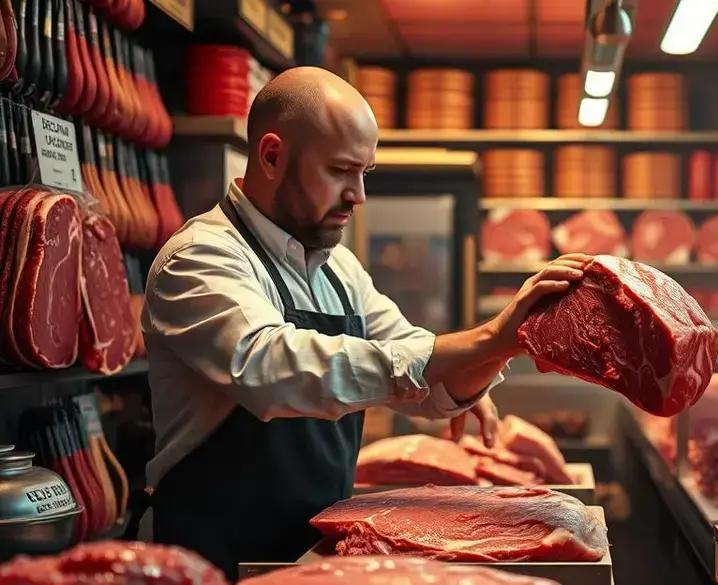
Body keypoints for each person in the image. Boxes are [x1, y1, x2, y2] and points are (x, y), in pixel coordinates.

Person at [136, 66, 591, 578]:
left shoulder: (338, 269)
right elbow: (269, 368)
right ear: (270, 155)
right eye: (340, 171)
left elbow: (418, 376)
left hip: (312, 554)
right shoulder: (200, 258)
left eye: (364, 174)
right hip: (212, 557)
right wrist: (487, 336)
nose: (359, 194)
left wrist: (493, 353)